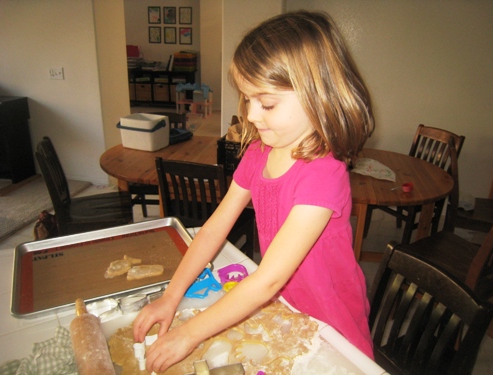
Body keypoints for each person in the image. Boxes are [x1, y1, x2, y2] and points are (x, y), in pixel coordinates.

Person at [133, 10, 375, 372]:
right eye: (247, 99)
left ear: (318, 95)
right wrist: (171, 296)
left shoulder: (324, 173)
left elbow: (269, 278)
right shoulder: (259, 152)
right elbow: (215, 227)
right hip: (290, 307)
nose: (252, 115)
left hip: (332, 317)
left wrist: (190, 334)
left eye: (268, 103)